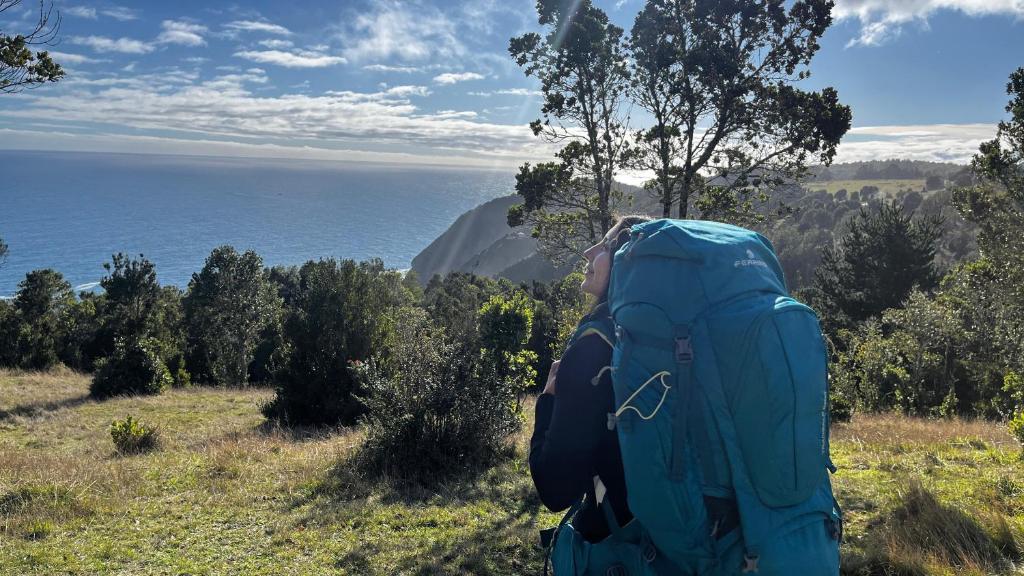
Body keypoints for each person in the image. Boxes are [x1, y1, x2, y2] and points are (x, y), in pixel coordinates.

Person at [529, 215, 651, 543]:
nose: (588, 252)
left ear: (628, 261)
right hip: (696, 538)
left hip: (624, 545)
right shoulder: (669, 339)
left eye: (607, 245)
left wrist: (548, 399)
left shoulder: (595, 348)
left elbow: (555, 490)